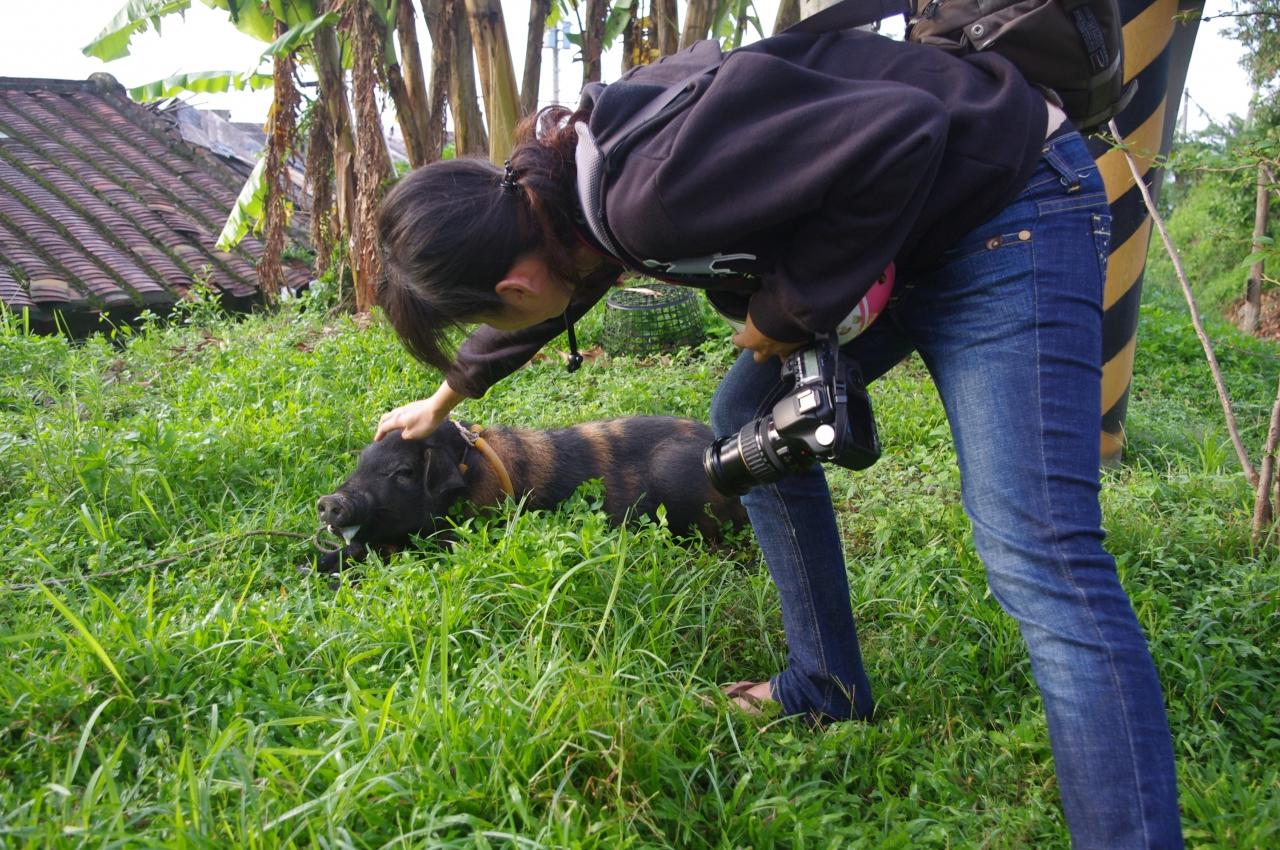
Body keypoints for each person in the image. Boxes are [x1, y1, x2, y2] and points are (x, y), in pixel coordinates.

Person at [371, 24, 1183, 850]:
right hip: (911, 229)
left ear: (513, 281)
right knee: (747, 414)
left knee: (1039, 551)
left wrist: (785, 312)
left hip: (1008, 205)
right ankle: (826, 685)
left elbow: (907, 132)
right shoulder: (573, 183)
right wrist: (446, 397)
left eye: (492, 311)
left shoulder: (645, 193)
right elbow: (571, 280)